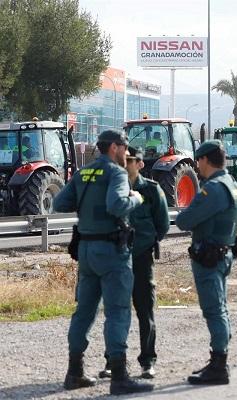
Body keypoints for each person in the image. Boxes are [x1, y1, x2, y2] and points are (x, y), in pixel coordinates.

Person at [53, 129, 153, 396]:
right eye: (125, 147)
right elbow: (117, 205)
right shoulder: (117, 173)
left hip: (86, 250)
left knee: (84, 311)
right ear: (114, 148)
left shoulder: (83, 173)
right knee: (118, 310)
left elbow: (59, 203)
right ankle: (119, 376)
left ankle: (74, 372)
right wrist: (136, 197)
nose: (127, 152)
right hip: (111, 251)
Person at [175, 140, 237, 385]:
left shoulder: (212, 189)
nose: (197, 166)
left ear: (205, 160)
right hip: (223, 252)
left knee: (213, 310)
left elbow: (185, 220)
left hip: (209, 256)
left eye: (198, 161)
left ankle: (218, 366)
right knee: (220, 307)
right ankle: (218, 359)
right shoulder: (231, 184)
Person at [98, 146, 170, 380]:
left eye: (129, 160)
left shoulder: (151, 190)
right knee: (115, 311)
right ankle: (113, 361)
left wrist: (146, 243)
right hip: (117, 259)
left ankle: (147, 361)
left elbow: (163, 225)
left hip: (140, 259)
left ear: (139, 164)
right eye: (122, 159)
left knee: (145, 310)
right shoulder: (112, 188)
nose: (124, 163)